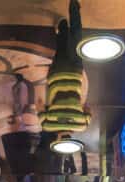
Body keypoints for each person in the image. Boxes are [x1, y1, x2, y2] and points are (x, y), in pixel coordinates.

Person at [40, 0, 90, 134]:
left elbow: (88, 109)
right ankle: (62, 26)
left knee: (77, 40)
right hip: (57, 75)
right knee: (61, 48)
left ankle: (74, 8)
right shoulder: (47, 126)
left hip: (75, 73)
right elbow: (39, 106)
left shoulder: (82, 126)